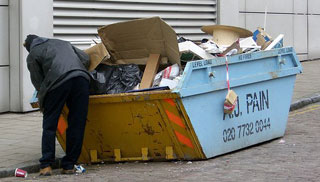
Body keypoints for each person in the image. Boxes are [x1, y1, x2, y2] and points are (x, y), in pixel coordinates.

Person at [24, 34, 91, 175]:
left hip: (58, 83)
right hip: (81, 79)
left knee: (50, 124)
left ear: (28, 46)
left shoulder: (33, 55)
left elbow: (39, 83)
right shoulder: (62, 42)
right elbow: (86, 58)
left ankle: (46, 165)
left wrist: (43, 104)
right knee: (77, 123)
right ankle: (69, 165)